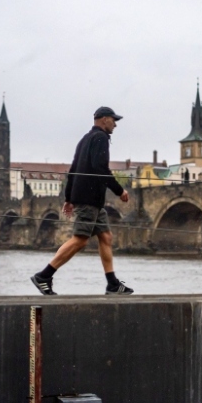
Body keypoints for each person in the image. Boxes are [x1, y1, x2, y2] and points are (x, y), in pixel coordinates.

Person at [31, 107, 133, 295]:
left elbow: (73, 170)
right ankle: (44, 276)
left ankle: (112, 284)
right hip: (89, 198)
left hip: (92, 200)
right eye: (113, 120)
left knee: (106, 237)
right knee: (80, 240)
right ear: (103, 120)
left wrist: (69, 198)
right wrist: (120, 190)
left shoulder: (84, 139)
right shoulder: (101, 138)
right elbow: (100, 168)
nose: (115, 124)